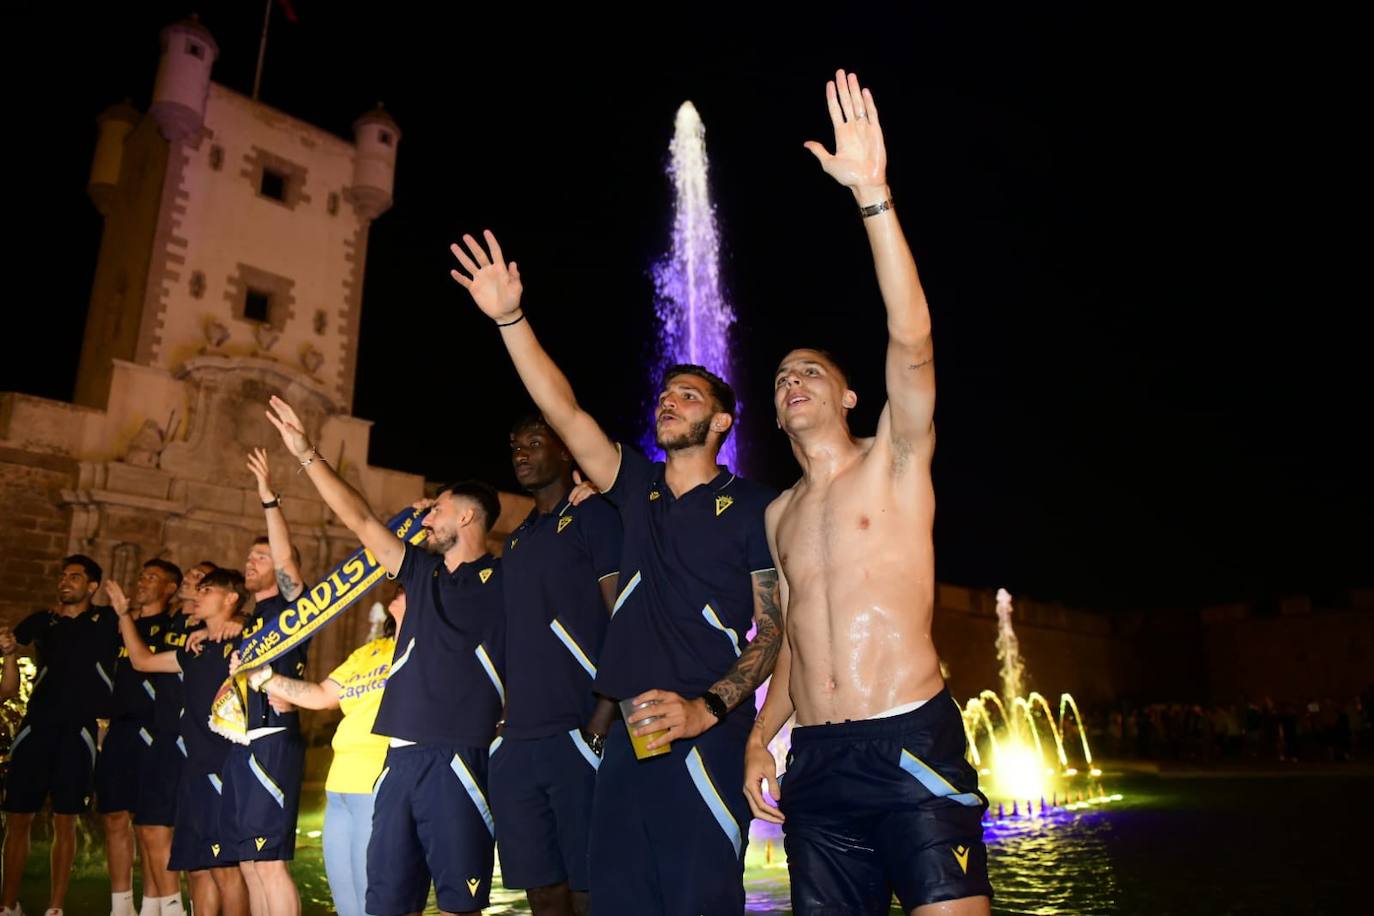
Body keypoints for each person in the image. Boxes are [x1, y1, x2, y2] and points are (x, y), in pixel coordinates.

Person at [450, 232, 782, 915]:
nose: (669, 402)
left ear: (721, 421)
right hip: (634, 737)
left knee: (699, 901)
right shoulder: (636, 487)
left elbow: (775, 632)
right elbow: (566, 412)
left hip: (708, 736)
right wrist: (511, 320)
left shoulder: (755, 507)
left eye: (688, 397)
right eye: (665, 394)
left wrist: (707, 709)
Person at [742, 70, 992, 915]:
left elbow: (911, 338)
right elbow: (784, 641)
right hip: (816, 760)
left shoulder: (894, 458)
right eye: (780, 378)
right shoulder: (777, 514)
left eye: (811, 371)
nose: (793, 381)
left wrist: (873, 198)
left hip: (910, 739)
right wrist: (759, 736)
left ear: (850, 397)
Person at [263, 395, 507, 916]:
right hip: (397, 762)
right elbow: (358, 518)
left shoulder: (508, 580)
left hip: (457, 758)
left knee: (461, 903)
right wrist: (306, 453)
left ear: (466, 515)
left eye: (436, 507)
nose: (426, 516)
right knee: (387, 902)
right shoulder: (421, 571)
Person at [490, 414, 622, 916]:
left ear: (566, 451)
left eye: (534, 442)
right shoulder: (518, 538)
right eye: (514, 444)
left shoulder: (594, 515)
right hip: (520, 739)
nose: (521, 452)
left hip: (577, 730)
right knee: (540, 889)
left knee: (588, 887)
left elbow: (622, 617)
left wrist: (602, 717)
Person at [236, 587, 403, 916]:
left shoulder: (425, 649)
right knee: (346, 903)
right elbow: (320, 696)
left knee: (376, 901)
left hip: (379, 783)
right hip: (339, 788)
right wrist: (261, 676)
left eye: (408, 588)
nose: (399, 591)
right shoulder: (369, 651)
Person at [111, 568, 251, 916]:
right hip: (194, 768)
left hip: (224, 767)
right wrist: (123, 614)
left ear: (231, 598)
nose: (197, 596)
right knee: (198, 867)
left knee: (226, 869)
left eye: (207, 590)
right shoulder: (195, 648)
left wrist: (244, 622)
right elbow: (143, 662)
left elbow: (278, 622)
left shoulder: (247, 640)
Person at [1, 555, 116, 916]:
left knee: (65, 820)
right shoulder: (42, 620)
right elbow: (11, 644)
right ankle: (8, 904)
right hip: (37, 727)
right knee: (18, 818)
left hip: (78, 731)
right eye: (63, 576)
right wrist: (6, 648)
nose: (65, 582)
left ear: (92, 586)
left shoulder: (107, 621)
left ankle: (55, 907)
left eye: (75, 577)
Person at [222, 450, 309, 916]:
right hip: (244, 740)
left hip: (274, 738)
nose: (251, 562)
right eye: (250, 556)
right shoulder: (255, 620)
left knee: (270, 862)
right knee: (250, 862)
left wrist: (269, 500)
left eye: (261, 556)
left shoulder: (292, 608)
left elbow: (287, 562)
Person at [95, 558, 184, 916]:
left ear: (170, 589)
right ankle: (121, 906)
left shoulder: (171, 628)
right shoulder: (118, 625)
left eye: (152, 577)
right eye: (141, 575)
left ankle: (153, 905)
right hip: (119, 730)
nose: (142, 582)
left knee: (151, 824)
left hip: (154, 733)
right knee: (114, 816)